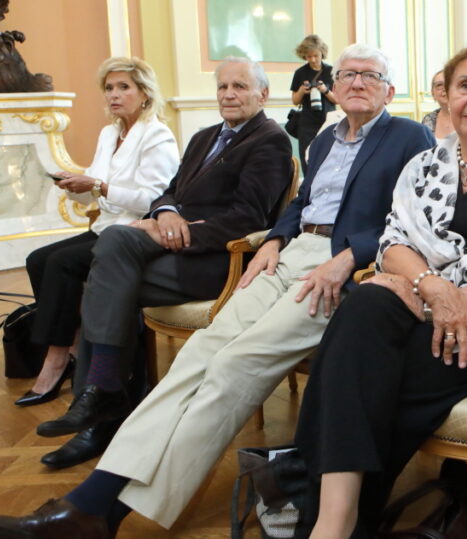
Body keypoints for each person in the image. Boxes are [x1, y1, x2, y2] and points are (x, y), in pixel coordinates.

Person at [0, 47, 435, 537]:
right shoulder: (321, 141)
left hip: (343, 268)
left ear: (389, 88)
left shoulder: (409, 137)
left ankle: (101, 509)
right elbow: (301, 202)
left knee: (238, 363)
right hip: (288, 254)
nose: (358, 82)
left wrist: (349, 256)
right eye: (348, 75)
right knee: (199, 354)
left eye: (371, 75)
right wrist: (274, 240)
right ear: (334, 86)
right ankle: (91, 503)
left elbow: (411, 218)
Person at [292, 41, 467, 538]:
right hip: (420, 310)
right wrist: (431, 289)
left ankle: (328, 522)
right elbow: (394, 241)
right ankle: (335, 524)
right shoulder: (424, 166)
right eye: (465, 85)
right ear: (446, 96)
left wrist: (430, 294)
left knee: (360, 379)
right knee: (366, 305)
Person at [20, 58, 292, 465]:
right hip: (172, 245)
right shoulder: (203, 137)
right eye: (222, 87)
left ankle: (99, 405)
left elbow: (248, 219)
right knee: (112, 252)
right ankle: (105, 402)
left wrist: (179, 232)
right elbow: (168, 192)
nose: (228, 94)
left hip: (214, 261)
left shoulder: (269, 140)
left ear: (263, 94)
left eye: (239, 86)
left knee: (106, 276)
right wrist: (164, 214)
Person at [19, 58, 179, 414]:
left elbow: (153, 199)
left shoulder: (157, 135)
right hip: (103, 227)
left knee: (61, 263)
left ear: (144, 93)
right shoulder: (109, 134)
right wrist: (73, 185)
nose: (114, 95)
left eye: (124, 87)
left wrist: (97, 185)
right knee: (38, 260)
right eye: (109, 88)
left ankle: (56, 361)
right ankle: (73, 343)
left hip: (135, 234)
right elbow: (94, 187)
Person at [290, 34, 336, 171]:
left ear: (322, 53)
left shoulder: (331, 72)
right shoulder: (300, 73)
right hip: (307, 124)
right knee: (307, 161)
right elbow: (295, 100)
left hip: (328, 122)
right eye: (309, 56)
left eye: (316, 55)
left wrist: (324, 90)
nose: (313, 59)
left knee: (328, 159)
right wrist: (302, 91)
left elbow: (338, 99)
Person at [420, 69, 454, 138]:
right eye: (439, 85)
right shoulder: (428, 119)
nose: (445, 89)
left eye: (449, 84)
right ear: (433, 93)